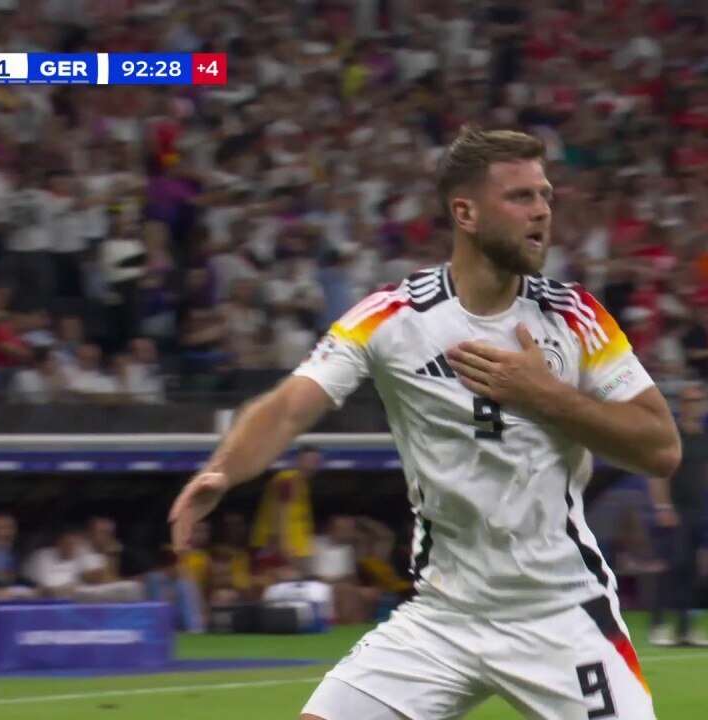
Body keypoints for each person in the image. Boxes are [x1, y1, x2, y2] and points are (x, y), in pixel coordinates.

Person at [169, 127, 681, 720]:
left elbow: (662, 448)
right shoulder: (392, 317)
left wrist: (548, 397)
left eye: (545, 196)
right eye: (520, 197)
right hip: (444, 617)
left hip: (561, 612)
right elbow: (289, 406)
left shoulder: (576, 317)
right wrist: (221, 472)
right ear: (465, 212)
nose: (542, 211)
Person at [647, 384, 708, 648]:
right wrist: (663, 507)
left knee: (691, 570)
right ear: (682, 404)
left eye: (699, 400)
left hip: (700, 513)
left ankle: (685, 629)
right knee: (673, 566)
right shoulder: (673, 435)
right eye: (689, 400)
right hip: (677, 512)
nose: (694, 405)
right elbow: (658, 471)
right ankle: (658, 625)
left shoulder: (706, 438)